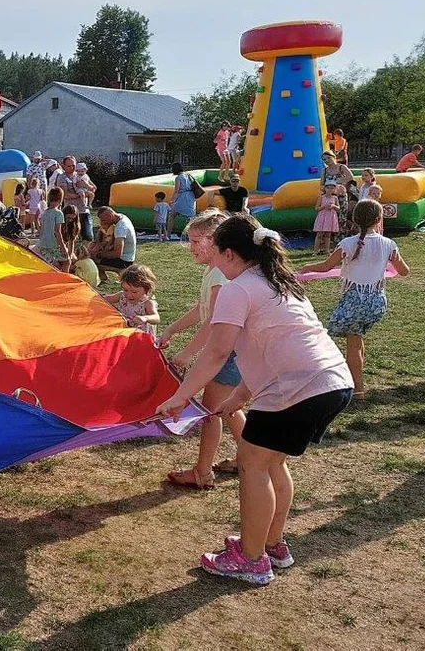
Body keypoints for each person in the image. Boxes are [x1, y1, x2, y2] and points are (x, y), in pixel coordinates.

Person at [156, 215, 354, 585]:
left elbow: (216, 354)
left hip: (298, 388)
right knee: (270, 463)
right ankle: (272, 544)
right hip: (330, 382)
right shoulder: (278, 280)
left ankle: (251, 558)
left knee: (253, 464)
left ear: (229, 253)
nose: (211, 258)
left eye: (214, 251)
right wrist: (241, 395)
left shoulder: (238, 288)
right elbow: (272, 346)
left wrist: (181, 396)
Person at [158, 210, 244, 489]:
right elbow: (201, 310)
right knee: (227, 409)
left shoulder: (220, 273)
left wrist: (187, 354)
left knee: (211, 411)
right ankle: (251, 457)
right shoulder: (214, 271)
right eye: (190, 241)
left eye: (196, 241)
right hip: (231, 350)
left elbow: (212, 322)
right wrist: (173, 329)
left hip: (229, 352)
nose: (190, 248)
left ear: (215, 241)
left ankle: (203, 472)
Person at [300, 200, 410, 403]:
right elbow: (404, 271)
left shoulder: (348, 244)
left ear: (354, 220)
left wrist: (306, 268)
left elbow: (325, 267)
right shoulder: (389, 244)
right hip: (377, 303)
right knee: (357, 342)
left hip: (354, 302)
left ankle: (358, 391)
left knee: (353, 346)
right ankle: (356, 381)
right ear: (379, 219)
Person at [104, 264, 160, 336]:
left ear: (147, 289)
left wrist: (145, 318)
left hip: (142, 337)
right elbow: (103, 300)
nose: (129, 295)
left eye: (134, 292)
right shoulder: (121, 296)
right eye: (125, 290)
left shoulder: (147, 303)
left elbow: (156, 318)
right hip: (125, 333)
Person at [93, 207, 137, 275]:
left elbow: (117, 254)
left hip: (124, 261)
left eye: (104, 220)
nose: (102, 223)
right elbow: (100, 230)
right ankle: (103, 276)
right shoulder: (121, 216)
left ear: (110, 216)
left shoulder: (120, 229)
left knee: (93, 261)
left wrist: (99, 255)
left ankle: (121, 270)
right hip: (129, 257)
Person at [36, 188, 67, 269]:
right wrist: (63, 247)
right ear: (61, 199)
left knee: (51, 265)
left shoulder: (44, 213)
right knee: (67, 262)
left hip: (43, 243)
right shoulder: (59, 213)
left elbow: (41, 230)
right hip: (53, 244)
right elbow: (57, 232)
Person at [170, 162, 198, 239]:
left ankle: (168, 234)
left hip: (183, 197)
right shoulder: (187, 175)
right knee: (190, 217)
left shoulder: (178, 178)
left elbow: (176, 191)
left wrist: (172, 201)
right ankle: (189, 235)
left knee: (172, 215)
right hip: (191, 197)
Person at [313, 182, 341, 255]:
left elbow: (338, 208)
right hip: (322, 217)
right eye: (328, 188)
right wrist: (323, 207)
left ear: (334, 189)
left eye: (332, 188)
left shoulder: (335, 198)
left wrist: (333, 206)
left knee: (328, 234)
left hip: (330, 217)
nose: (329, 190)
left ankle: (327, 250)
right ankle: (315, 251)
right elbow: (316, 208)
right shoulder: (321, 197)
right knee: (319, 234)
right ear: (325, 189)